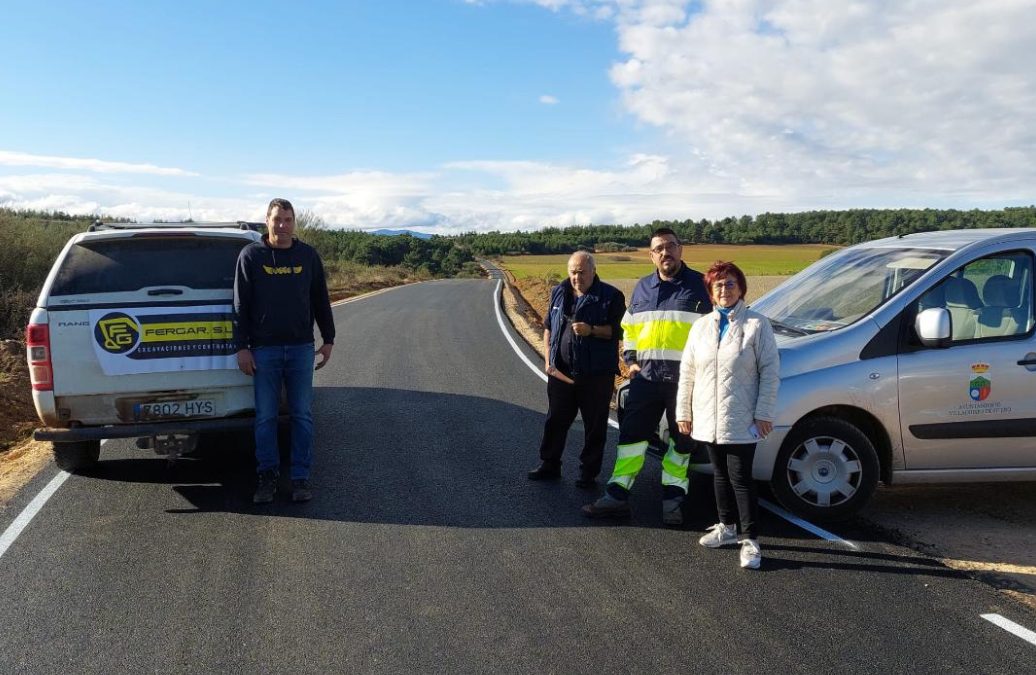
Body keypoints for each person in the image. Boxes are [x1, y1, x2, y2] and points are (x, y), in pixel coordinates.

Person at [583, 228, 712, 524]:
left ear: (681, 250)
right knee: (630, 439)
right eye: (659, 249)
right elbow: (629, 328)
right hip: (646, 380)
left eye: (671, 246)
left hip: (685, 385)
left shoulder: (702, 286)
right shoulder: (642, 288)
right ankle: (616, 497)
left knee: (682, 443)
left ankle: (673, 502)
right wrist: (631, 360)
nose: (665, 253)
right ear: (652, 255)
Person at [675, 261, 779, 569]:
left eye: (730, 283)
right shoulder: (701, 327)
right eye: (718, 285)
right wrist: (684, 410)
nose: (725, 289)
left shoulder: (757, 325)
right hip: (708, 416)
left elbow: (771, 372)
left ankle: (750, 540)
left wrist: (763, 413)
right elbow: (688, 372)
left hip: (742, 417)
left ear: (741, 288)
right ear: (710, 291)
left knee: (741, 479)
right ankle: (726, 527)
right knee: (719, 476)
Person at [234, 198, 335, 504]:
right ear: (267, 221)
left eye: (288, 219)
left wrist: (328, 338)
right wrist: (242, 348)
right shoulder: (251, 256)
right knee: (265, 417)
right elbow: (240, 306)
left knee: (302, 415)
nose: (282, 225)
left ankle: (301, 477)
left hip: (301, 348)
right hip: (264, 350)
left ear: (294, 223)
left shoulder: (307, 255)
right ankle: (267, 476)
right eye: (277, 219)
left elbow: (320, 298)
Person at [528, 251, 625, 489]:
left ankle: (588, 474)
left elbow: (618, 332)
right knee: (555, 421)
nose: (576, 277)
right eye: (572, 272)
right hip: (561, 373)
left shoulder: (611, 296)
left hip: (596, 375)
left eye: (581, 272)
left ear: (593, 270)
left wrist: (591, 330)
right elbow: (549, 328)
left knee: (594, 426)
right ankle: (549, 464)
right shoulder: (558, 292)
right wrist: (548, 361)